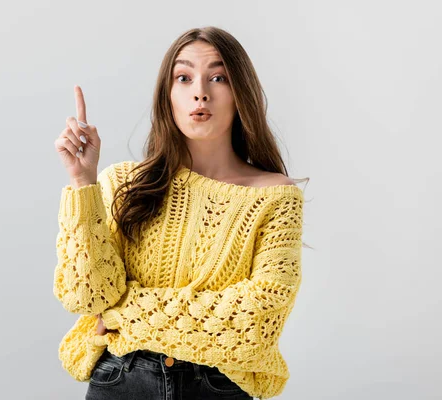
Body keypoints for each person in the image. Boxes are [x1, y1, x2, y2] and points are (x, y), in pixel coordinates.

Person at [52, 26, 308, 400]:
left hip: (217, 388)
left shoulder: (275, 197)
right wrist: (82, 181)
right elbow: (87, 299)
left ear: (241, 94)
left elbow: (256, 323)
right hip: (122, 382)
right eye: (184, 78)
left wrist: (124, 312)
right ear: (167, 96)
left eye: (218, 77)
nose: (200, 91)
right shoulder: (122, 183)